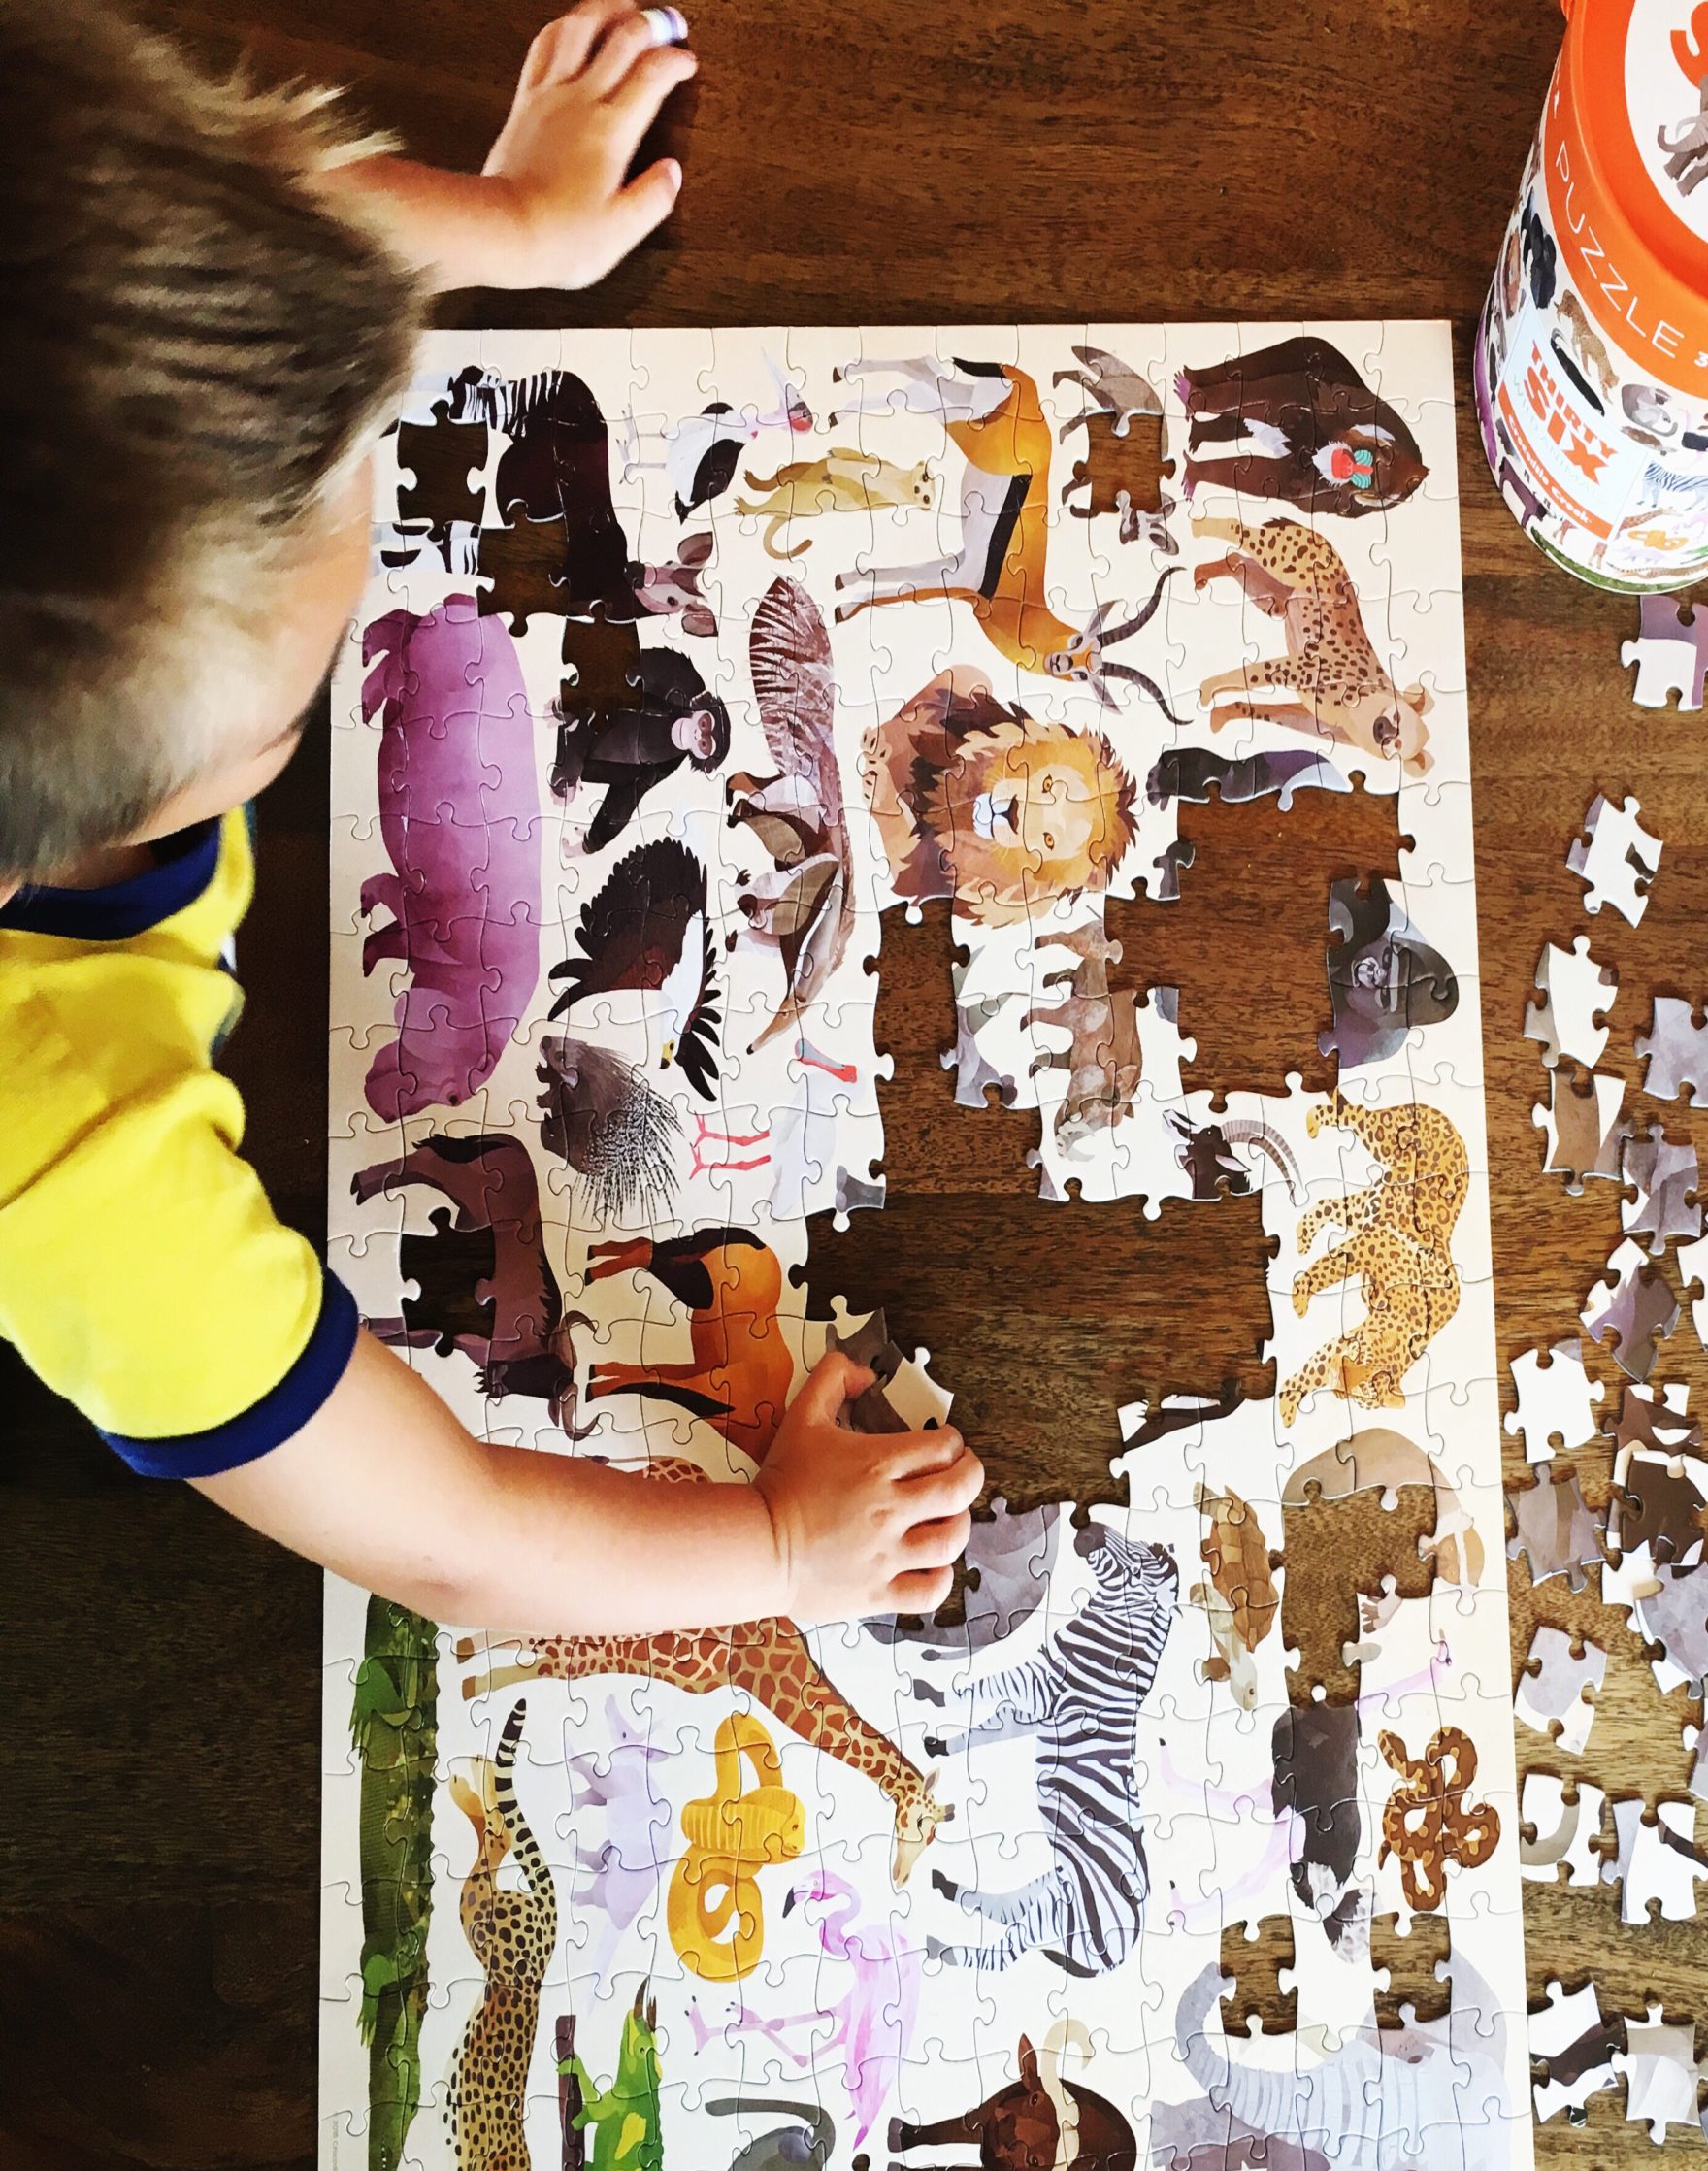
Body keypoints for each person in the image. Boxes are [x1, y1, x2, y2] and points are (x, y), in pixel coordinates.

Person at [0, 0, 982, 1632]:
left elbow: (215, 226)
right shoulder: (66, 1176)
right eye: (293, 712)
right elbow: (441, 1533)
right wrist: (782, 1554)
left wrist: (511, 223)